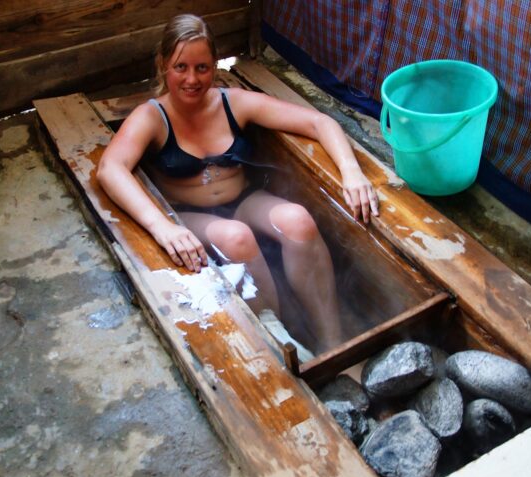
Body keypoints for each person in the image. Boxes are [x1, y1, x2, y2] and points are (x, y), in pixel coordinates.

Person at [97, 14, 378, 353]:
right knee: (236, 238)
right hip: (188, 214)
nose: (191, 79)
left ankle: (333, 340)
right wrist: (162, 227)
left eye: (202, 67)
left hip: (244, 200)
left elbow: (319, 123)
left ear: (214, 64)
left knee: (298, 221)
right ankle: (284, 342)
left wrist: (352, 172)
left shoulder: (232, 102)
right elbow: (110, 169)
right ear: (163, 66)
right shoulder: (152, 117)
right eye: (180, 67)